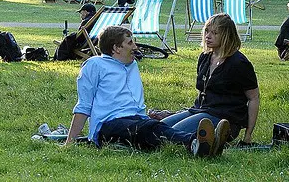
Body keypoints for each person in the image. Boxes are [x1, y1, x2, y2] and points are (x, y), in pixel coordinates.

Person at [65, 26, 231, 157]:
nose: (135, 46)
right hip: (108, 125)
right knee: (148, 128)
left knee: (155, 128)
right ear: (116, 48)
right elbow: (84, 105)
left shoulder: (132, 65)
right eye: (130, 43)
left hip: (136, 119)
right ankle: (195, 142)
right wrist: (70, 142)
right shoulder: (95, 65)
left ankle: (206, 144)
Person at [160, 13, 260, 145]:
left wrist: (248, 135)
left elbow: (254, 98)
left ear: (226, 35)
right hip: (200, 110)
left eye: (215, 33)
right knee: (159, 128)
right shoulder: (205, 57)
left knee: (171, 135)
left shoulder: (239, 63)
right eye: (206, 31)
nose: (208, 36)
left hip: (224, 116)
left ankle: (215, 137)